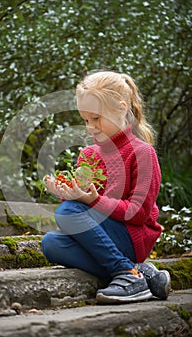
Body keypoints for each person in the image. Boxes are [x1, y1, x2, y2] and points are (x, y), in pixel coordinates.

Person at [41, 70, 171, 303]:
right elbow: (80, 213)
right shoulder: (88, 154)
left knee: (67, 211)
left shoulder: (142, 153)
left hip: (133, 235)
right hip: (104, 233)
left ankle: (128, 275)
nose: (90, 127)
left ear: (121, 108)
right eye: (85, 120)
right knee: (51, 243)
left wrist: (91, 200)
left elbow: (138, 213)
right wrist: (67, 193)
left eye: (96, 118)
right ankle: (139, 272)